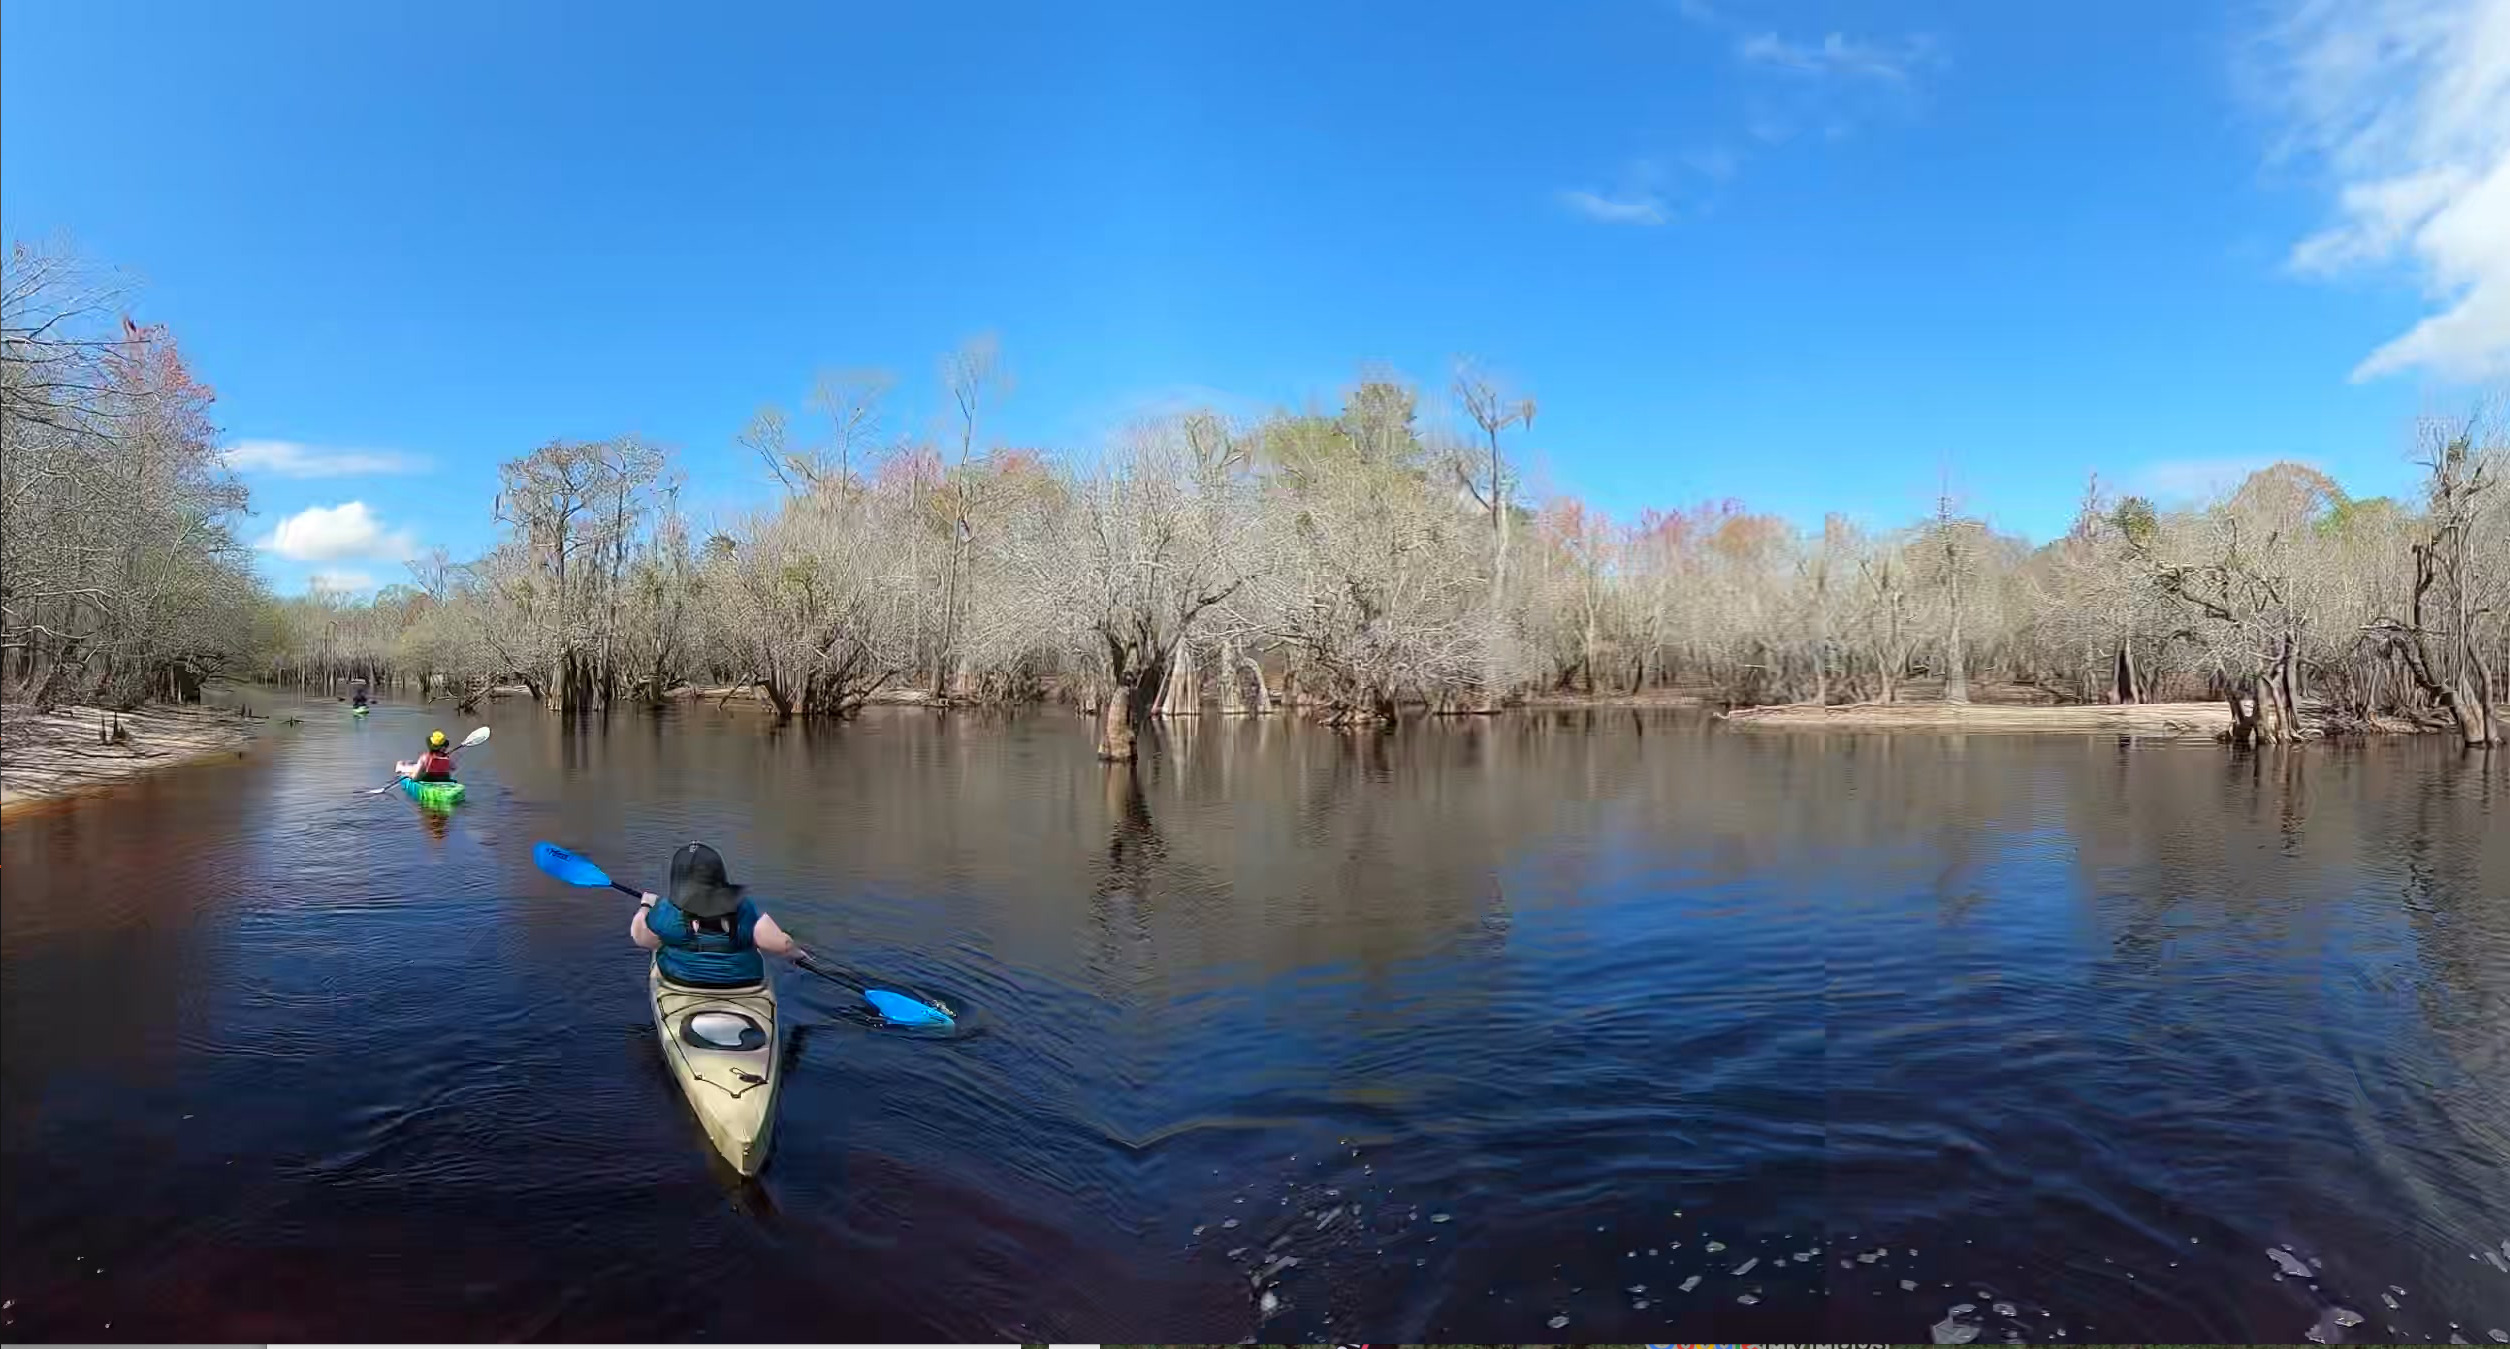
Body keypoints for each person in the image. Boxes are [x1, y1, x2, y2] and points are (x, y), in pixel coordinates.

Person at [631, 842, 806, 988]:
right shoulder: (744, 907)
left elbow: (642, 938)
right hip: (743, 983)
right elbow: (781, 944)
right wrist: (797, 954)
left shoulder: (666, 910)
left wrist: (646, 905)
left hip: (682, 981)